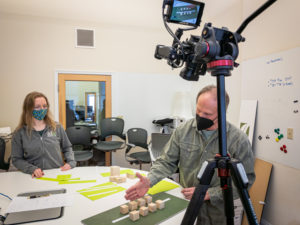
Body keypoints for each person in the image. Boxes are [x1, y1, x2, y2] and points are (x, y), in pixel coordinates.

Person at [125, 85, 255, 224]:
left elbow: (246, 181)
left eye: (207, 114)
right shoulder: (183, 130)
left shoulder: (238, 140)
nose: (200, 116)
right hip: (185, 203)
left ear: (222, 113)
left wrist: (210, 194)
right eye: (198, 111)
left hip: (216, 211)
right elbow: (166, 161)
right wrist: (150, 180)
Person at [11, 91, 76, 178]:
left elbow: (67, 147)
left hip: (57, 173)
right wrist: (31, 169)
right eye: (37, 107)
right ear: (28, 109)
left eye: (44, 106)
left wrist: (70, 162)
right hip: (34, 176)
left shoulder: (56, 127)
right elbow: (16, 159)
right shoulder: (20, 132)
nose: (42, 109)